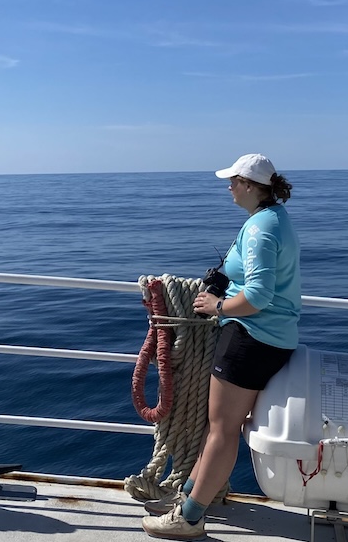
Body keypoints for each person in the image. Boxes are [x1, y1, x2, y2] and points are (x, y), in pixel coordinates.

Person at [142, 153, 301, 540]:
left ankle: (191, 516)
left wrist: (218, 306)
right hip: (269, 337)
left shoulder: (261, 228)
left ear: (249, 185)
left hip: (251, 338)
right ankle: (192, 495)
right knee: (222, 429)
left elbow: (260, 295)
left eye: (232, 181)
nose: (228, 187)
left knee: (223, 430)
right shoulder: (274, 219)